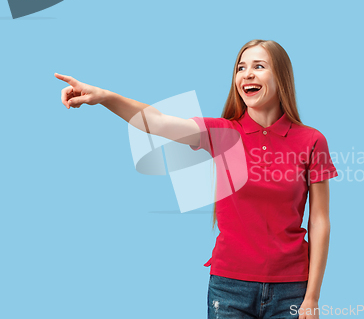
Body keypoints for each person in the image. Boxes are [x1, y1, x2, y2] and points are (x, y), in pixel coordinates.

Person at [55, 39, 338, 319]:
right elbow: (157, 122)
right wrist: (105, 96)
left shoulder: (312, 141)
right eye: (241, 68)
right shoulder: (223, 133)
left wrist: (312, 296)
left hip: (291, 289)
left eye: (259, 66)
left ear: (281, 77)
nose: (247, 74)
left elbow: (319, 221)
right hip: (229, 288)